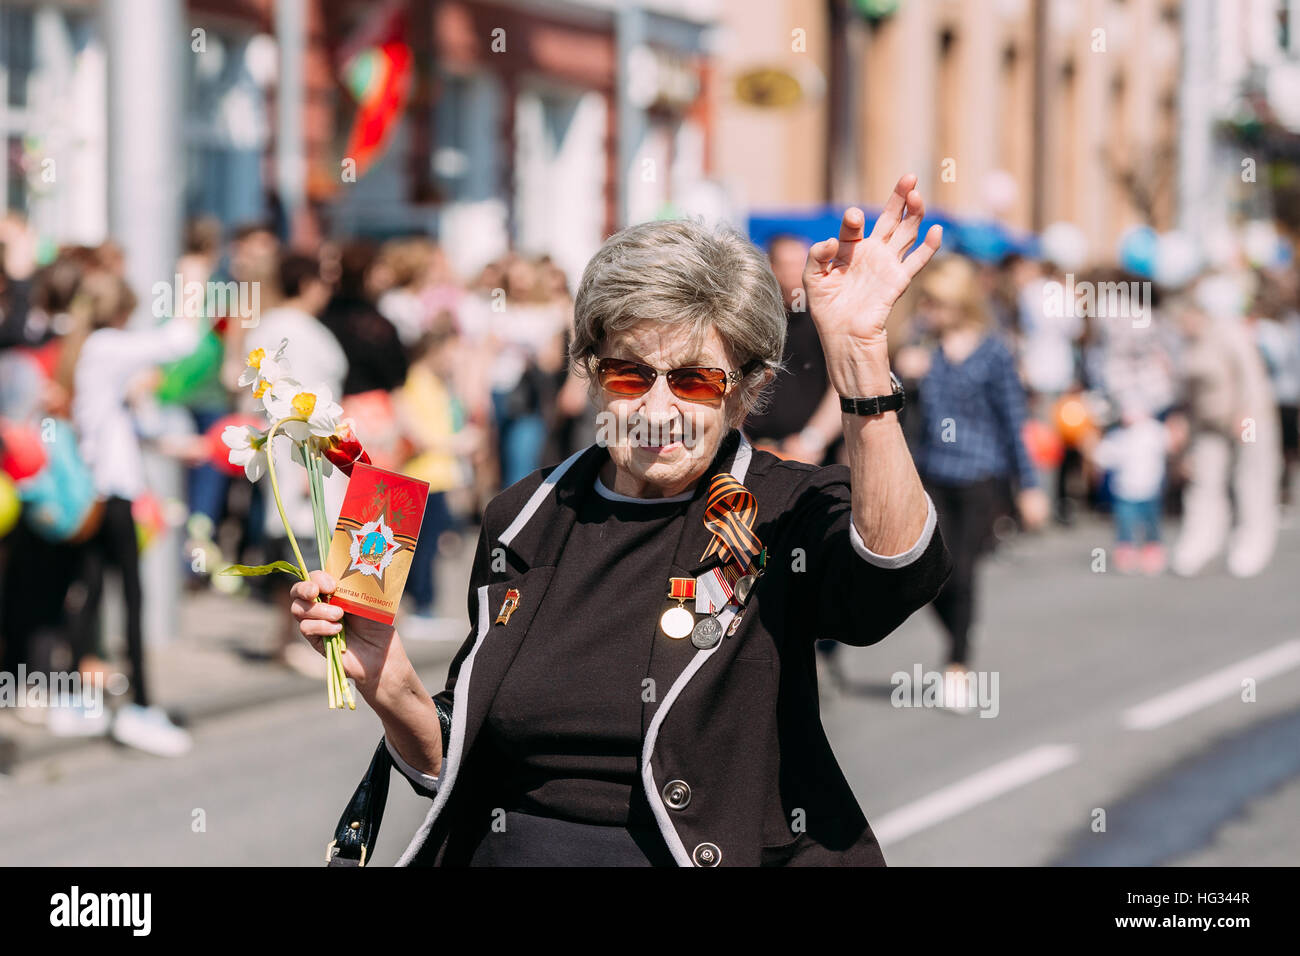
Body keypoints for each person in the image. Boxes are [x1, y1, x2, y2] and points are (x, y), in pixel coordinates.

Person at [292, 175, 953, 866]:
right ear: (591, 374)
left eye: (696, 379)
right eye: (630, 376)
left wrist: (858, 359)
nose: (659, 409)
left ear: (747, 391)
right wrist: (389, 682)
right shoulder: (525, 516)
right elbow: (461, 767)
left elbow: (894, 572)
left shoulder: (783, 508)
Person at [895, 254, 1048, 705]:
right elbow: (897, 412)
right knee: (923, 572)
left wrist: (1031, 485)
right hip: (931, 471)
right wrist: (905, 375)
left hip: (981, 474)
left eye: (938, 302)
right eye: (927, 302)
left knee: (961, 570)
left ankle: (958, 663)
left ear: (960, 301)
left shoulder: (994, 351)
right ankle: (960, 633)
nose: (931, 311)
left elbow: (1012, 419)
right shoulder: (923, 347)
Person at [62, 271, 201, 755]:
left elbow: (121, 426)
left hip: (100, 494)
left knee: (94, 589)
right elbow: (179, 342)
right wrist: (194, 283)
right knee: (133, 599)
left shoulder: (91, 352)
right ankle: (140, 705)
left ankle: (81, 698)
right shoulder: (106, 346)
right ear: (120, 313)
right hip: (115, 496)